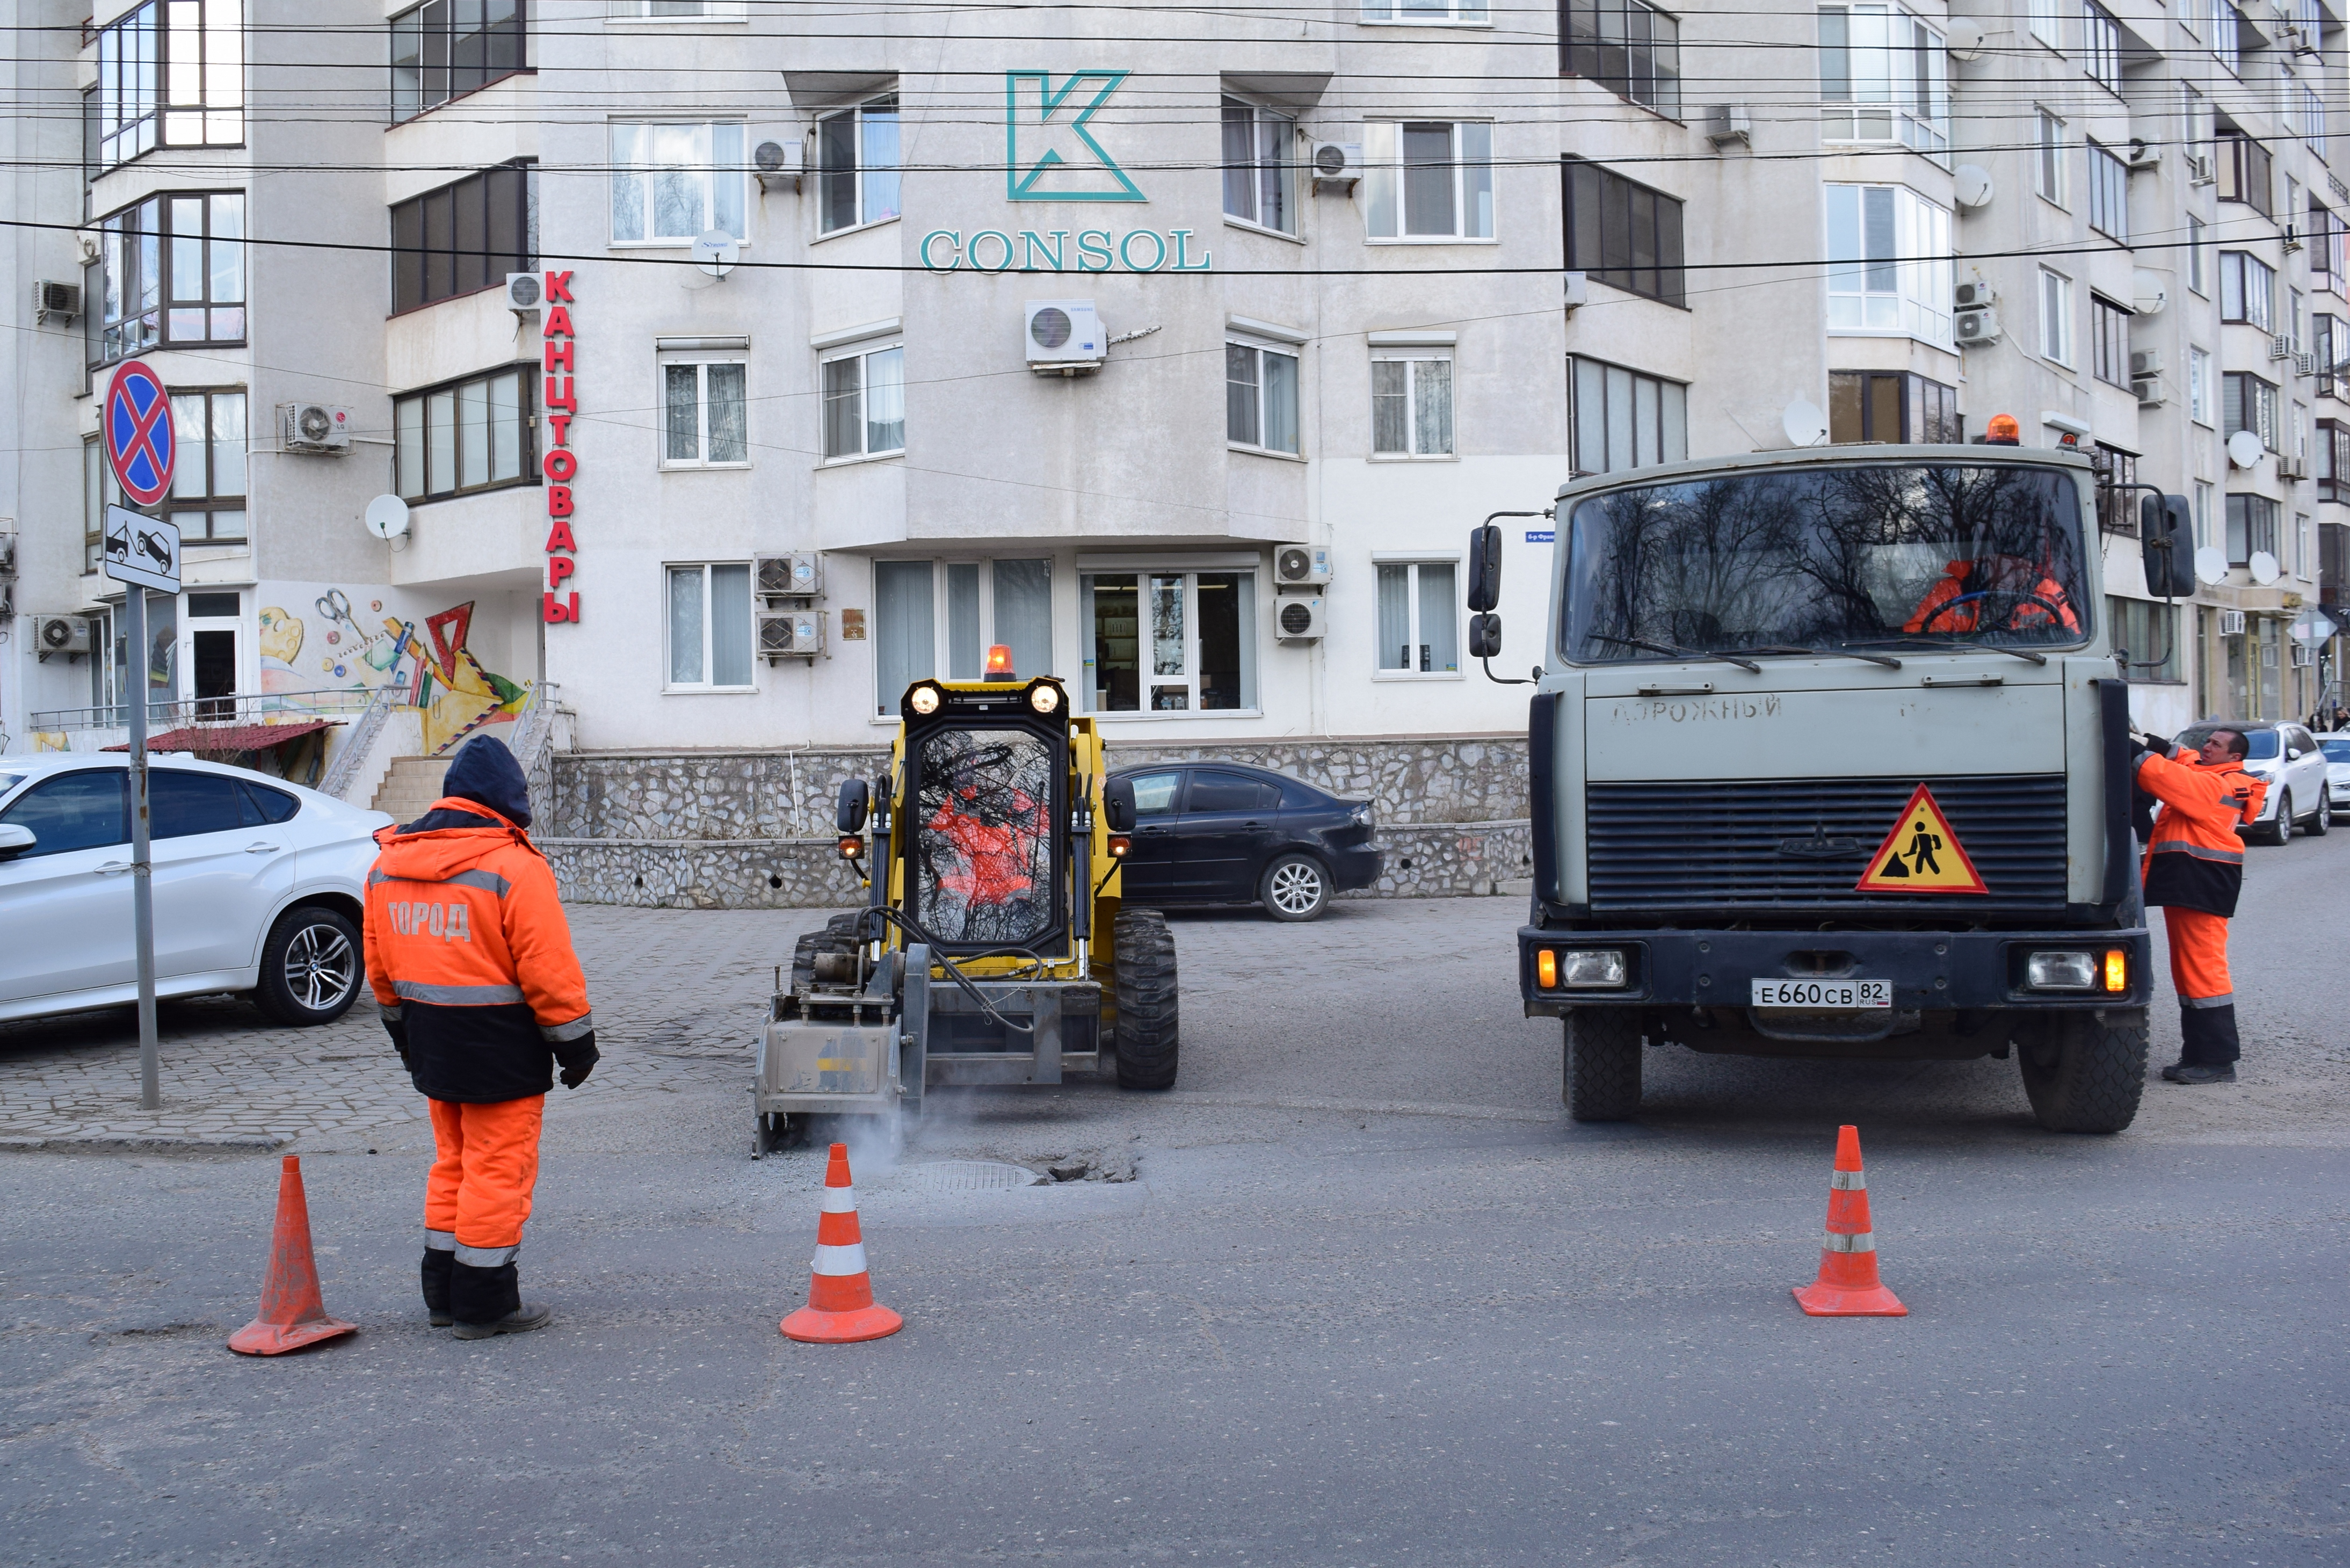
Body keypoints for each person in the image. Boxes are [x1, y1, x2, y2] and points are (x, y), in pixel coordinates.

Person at [363, 735, 597, 1338]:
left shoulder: (388, 863)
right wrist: (575, 1045)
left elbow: (379, 968)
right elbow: (547, 968)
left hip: (433, 1047)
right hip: (501, 1050)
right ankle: (484, 1304)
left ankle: (442, 1293)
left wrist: (403, 1038)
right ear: (509, 801)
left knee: (454, 1164)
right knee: (499, 1172)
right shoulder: (514, 865)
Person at [2132, 727, 2266, 1085]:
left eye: (2216, 745)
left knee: (2204, 972)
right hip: (2194, 882)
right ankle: (2199, 1056)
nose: (2206, 747)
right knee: (2190, 968)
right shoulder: (2215, 774)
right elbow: (2185, 759)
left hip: (2201, 882)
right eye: (2207, 741)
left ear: (2234, 757)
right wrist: (2157, 745)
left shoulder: (2217, 786)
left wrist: (2133, 750)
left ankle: (2217, 1060)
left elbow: (2164, 775)